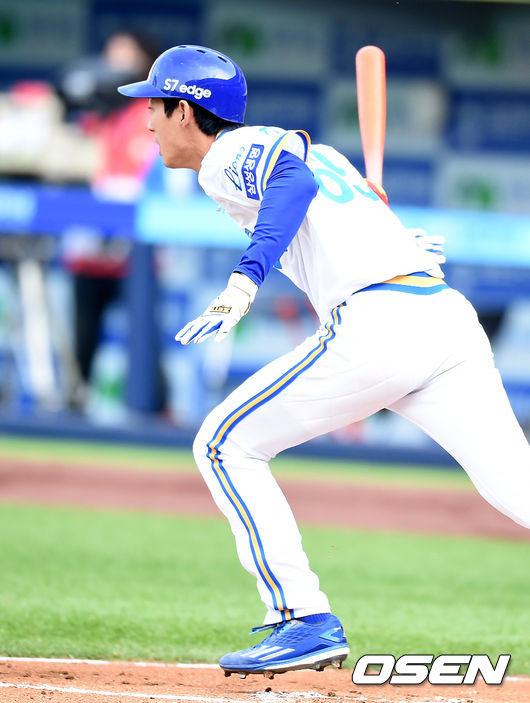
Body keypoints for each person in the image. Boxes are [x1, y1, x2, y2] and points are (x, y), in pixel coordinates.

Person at [118, 45, 530, 679]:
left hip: (381, 324)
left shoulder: (228, 154)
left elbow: (294, 182)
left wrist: (244, 280)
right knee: (516, 486)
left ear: (186, 111)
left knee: (223, 444)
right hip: (441, 316)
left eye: (155, 104)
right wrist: (394, 239)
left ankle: (302, 618)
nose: (147, 118)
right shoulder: (312, 153)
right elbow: (319, 199)